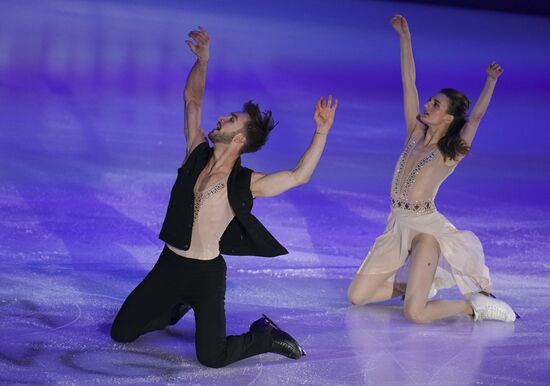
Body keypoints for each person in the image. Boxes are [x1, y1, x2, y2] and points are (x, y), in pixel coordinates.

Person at [110, 27, 338, 367]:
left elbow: (298, 176)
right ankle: (174, 308)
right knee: (122, 333)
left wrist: (321, 132)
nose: (221, 117)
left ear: (240, 139)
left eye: (231, 120)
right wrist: (203, 61)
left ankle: (264, 335)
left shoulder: (245, 182)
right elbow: (192, 100)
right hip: (168, 265)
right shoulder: (195, 152)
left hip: (206, 275)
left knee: (212, 358)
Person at [347, 15, 517, 323]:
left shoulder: (449, 153)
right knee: (357, 297)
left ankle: (474, 307)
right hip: (397, 225)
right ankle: (413, 286)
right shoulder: (414, 133)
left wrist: (490, 82)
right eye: (430, 101)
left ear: (449, 118)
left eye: (436, 105)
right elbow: (407, 82)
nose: (427, 105)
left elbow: (475, 119)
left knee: (415, 313)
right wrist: (405, 38)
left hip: (426, 232)